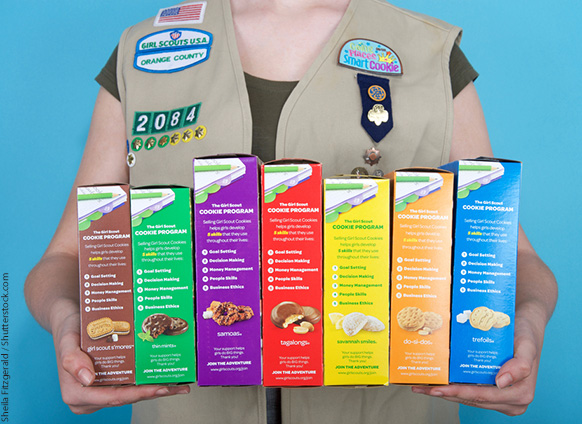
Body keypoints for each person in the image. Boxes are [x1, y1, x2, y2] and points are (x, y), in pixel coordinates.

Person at [24, 0, 557, 422]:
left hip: (387, 409)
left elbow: (512, 256)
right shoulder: (144, 54)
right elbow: (66, 256)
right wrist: (67, 322)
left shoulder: (430, 53)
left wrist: (527, 323)